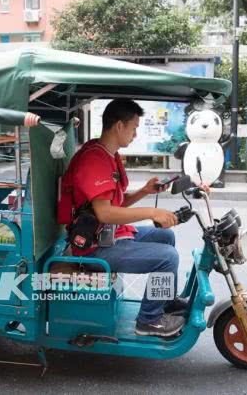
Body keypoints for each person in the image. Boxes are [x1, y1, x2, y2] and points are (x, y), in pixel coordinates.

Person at [59, 98, 189, 337]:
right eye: (134, 128)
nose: (135, 134)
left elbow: (112, 204)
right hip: (93, 247)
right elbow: (105, 213)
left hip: (109, 233)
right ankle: (149, 321)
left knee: (165, 236)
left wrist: (144, 192)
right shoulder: (94, 160)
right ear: (119, 126)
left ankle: (164, 300)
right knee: (167, 258)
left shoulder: (108, 155)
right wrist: (152, 212)